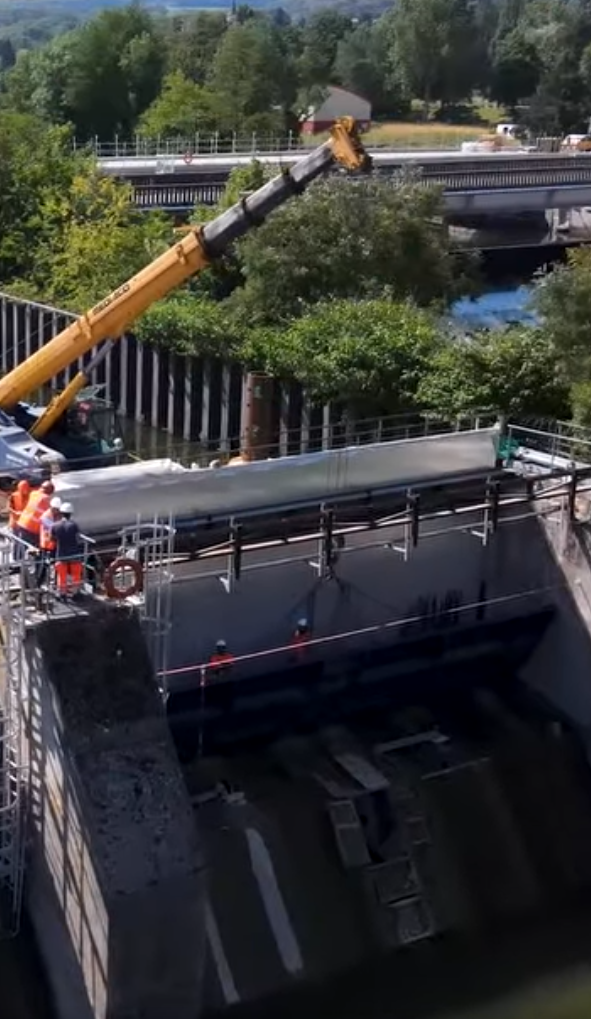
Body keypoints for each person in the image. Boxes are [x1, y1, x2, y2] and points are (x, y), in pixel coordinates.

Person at [51, 502, 83, 597]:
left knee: (62, 575)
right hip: (74, 553)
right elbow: (78, 538)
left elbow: (52, 539)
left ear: (61, 513)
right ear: (70, 514)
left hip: (61, 554)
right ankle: (76, 592)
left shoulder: (55, 526)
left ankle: (62, 593)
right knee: (76, 574)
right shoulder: (74, 525)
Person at [17, 480, 55, 549]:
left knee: (21, 546)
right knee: (34, 549)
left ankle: (17, 559)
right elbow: (50, 514)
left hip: (22, 523)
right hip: (32, 527)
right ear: (49, 491)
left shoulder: (33, 493)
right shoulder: (45, 499)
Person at [37, 497, 62, 587]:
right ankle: (39, 583)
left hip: (54, 544)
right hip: (46, 545)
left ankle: (54, 583)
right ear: (52, 507)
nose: (57, 511)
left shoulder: (58, 515)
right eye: (56, 509)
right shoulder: (46, 516)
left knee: (56, 564)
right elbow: (53, 528)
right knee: (43, 565)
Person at [8, 479, 31, 559]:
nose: (25, 492)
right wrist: (16, 513)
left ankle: (25, 558)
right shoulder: (14, 496)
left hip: (25, 523)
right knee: (16, 542)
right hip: (15, 523)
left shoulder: (30, 496)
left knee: (26, 541)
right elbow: (10, 508)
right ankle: (16, 559)